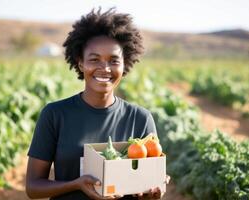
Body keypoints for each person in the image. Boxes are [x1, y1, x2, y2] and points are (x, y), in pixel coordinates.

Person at [26, 8, 168, 200]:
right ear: (80, 63)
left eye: (114, 60)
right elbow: (33, 187)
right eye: (94, 59)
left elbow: (144, 182)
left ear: (125, 64)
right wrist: (76, 184)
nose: (105, 68)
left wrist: (151, 192)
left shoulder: (140, 118)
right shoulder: (55, 114)